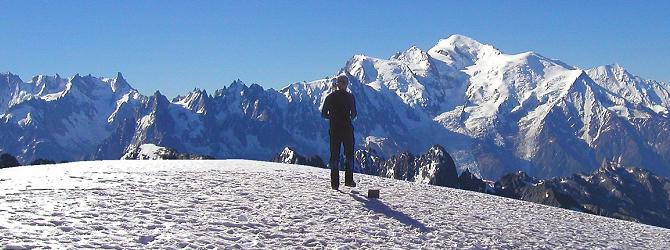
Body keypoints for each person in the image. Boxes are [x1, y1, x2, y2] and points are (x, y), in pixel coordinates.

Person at [321, 75, 357, 190]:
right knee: (349, 155)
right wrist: (348, 118)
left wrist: (332, 117)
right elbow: (354, 113)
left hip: (334, 130)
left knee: (335, 156)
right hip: (347, 129)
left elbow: (323, 114)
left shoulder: (330, 97)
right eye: (343, 82)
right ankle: (349, 180)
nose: (344, 84)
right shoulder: (350, 97)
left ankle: (335, 183)